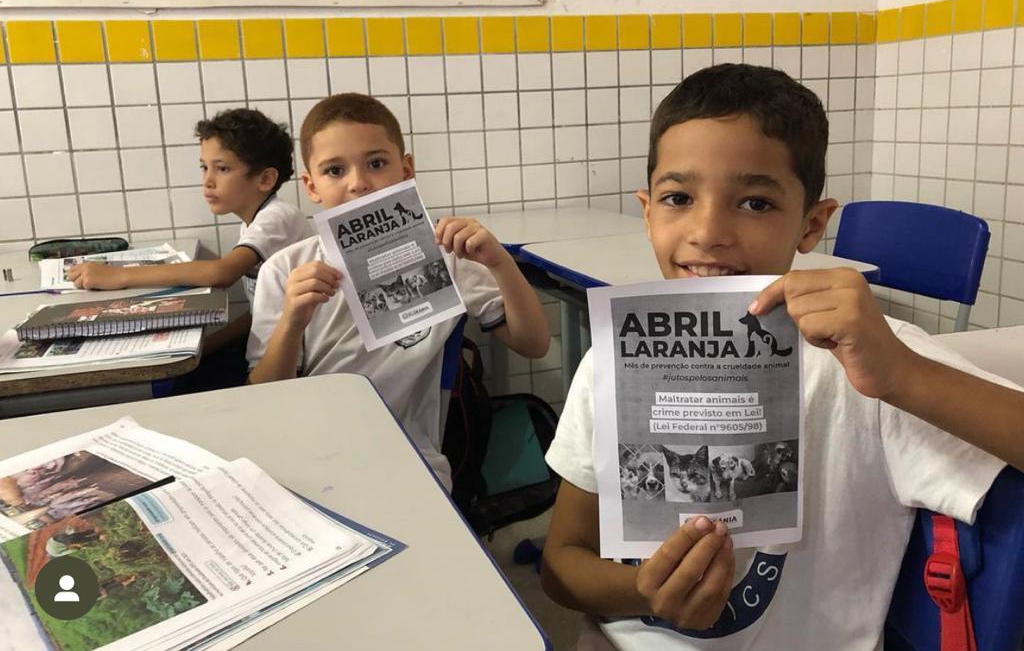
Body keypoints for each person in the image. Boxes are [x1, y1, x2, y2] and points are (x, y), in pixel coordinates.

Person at [541, 64, 1023, 650]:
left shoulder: (870, 367)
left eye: (754, 202)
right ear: (648, 212)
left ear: (812, 223)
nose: (708, 231)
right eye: (678, 198)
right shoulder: (609, 361)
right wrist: (643, 590)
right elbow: (561, 565)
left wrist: (905, 374)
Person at [247, 93, 550, 489]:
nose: (358, 184)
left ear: (406, 170)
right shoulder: (285, 271)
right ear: (311, 186)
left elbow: (534, 344)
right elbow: (264, 399)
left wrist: (500, 263)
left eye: (376, 163)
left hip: (413, 462)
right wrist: (292, 322)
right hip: (308, 460)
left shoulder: (447, 255)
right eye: (335, 170)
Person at [68, 109, 312, 386]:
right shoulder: (254, 223)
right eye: (204, 167)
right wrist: (202, 348)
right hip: (270, 350)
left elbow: (221, 273)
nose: (208, 180)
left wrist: (118, 276)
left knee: (174, 387)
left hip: (291, 363)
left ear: (265, 179)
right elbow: (259, 313)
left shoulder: (278, 217)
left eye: (222, 168)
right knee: (179, 375)